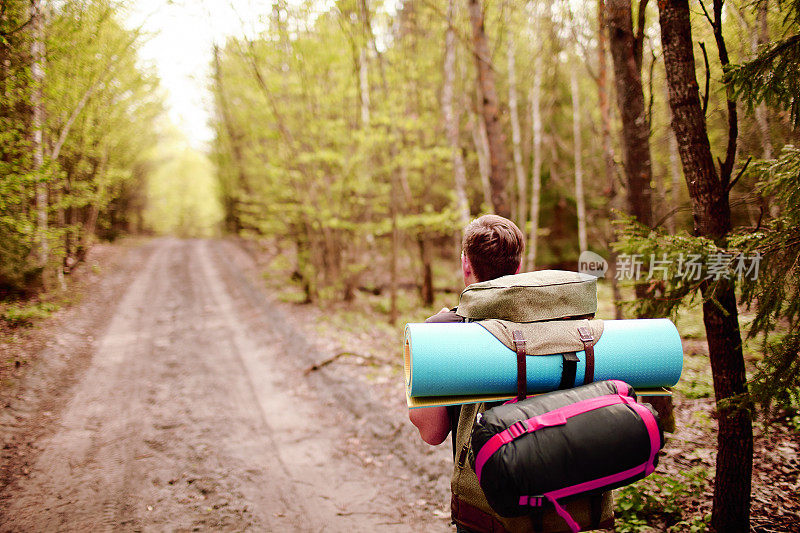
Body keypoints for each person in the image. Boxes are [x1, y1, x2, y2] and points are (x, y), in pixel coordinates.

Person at [408, 214, 525, 530]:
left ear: (466, 266)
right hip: (556, 496)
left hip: (483, 505)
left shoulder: (442, 332)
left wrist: (422, 349)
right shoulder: (554, 325)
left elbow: (430, 432)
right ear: (518, 269)